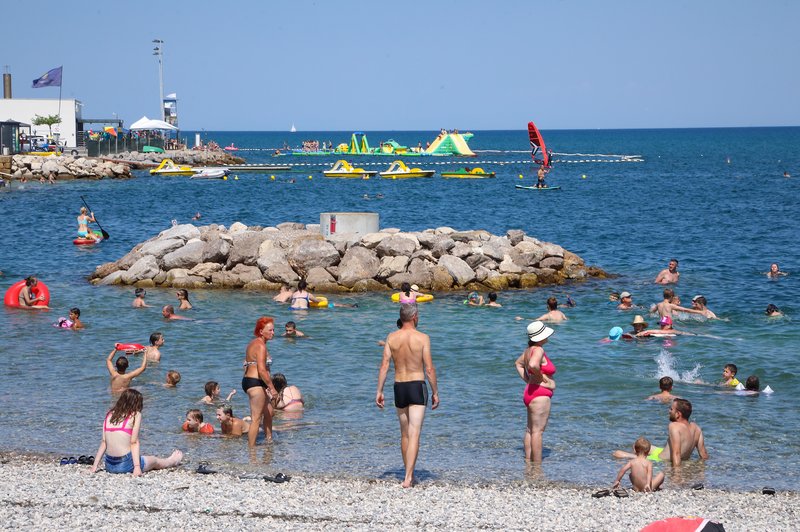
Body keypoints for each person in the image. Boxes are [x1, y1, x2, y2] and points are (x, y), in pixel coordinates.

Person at [376, 304, 439, 488]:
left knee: (404, 434)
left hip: (399, 387)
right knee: (414, 433)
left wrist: (379, 391)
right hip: (417, 386)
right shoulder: (423, 338)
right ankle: (408, 478)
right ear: (415, 317)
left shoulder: (391, 337)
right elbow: (429, 369)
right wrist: (435, 392)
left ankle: (407, 473)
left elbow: (384, 366)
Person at [90, 389, 183, 476]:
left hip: (109, 465)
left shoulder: (110, 414)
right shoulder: (135, 415)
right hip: (125, 464)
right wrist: (137, 468)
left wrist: (95, 466)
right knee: (154, 460)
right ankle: (173, 461)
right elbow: (134, 442)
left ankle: (169, 460)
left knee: (143, 457)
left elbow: (104, 442)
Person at [614, 398, 708, 465]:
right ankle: (640, 463)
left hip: (661, 459)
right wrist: (702, 470)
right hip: (663, 452)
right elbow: (703, 455)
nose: (669, 411)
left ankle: (640, 462)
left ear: (678, 414)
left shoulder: (674, 426)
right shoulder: (696, 428)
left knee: (617, 453)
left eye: (671, 409)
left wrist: (677, 475)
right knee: (636, 445)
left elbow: (676, 453)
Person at [514, 321, 557, 463]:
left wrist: (528, 379)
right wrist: (540, 377)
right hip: (540, 394)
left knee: (530, 430)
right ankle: (537, 466)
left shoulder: (528, 350)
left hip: (530, 392)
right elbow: (533, 364)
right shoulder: (538, 350)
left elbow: (518, 364)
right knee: (538, 432)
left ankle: (528, 461)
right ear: (540, 337)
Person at [243, 316, 279, 446]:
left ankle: (269, 440)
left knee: (269, 412)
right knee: (256, 419)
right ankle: (251, 449)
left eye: (273, 330)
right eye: (269, 330)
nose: (273, 333)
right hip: (255, 382)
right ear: (260, 331)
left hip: (252, 381)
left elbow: (245, 363)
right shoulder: (260, 346)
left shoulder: (254, 343)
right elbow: (262, 370)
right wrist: (272, 388)